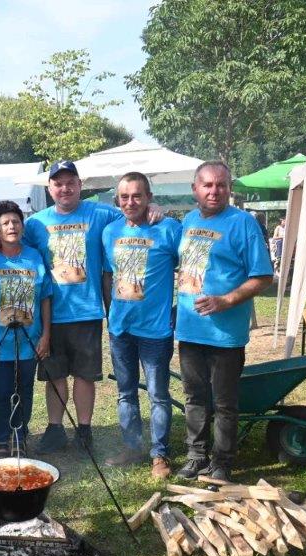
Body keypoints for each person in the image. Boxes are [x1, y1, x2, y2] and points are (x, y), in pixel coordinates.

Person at [174, 162, 273, 482]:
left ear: (230, 188)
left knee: (224, 402)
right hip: (190, 329)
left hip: (225, 334)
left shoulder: (243, 223)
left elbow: (263, 276)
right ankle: (196, 455)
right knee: (194, 397)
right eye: (207, 185)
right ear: (195, 189)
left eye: (221, 185)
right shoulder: (188, 221)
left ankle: (222, 461)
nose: (214, 191)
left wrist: (226, 300)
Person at [19, 161, 123, 455]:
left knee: (84, 375)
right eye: (58, 183)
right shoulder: (35, 223)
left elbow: (131, 217)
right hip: (50, 314)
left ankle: (84, 430)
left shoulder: (101, 214)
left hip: (86, 312)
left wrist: (153, 210)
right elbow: (14, 246)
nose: (64, 188)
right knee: (54, 375)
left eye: (70, 182)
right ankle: (55, 429)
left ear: (80, 185)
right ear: (49, 188)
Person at [100, 172, 182, 479]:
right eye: (124, 196)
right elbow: (108, 274)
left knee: (158, 394)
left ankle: (159, 454)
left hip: (155, 331)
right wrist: (110, 313)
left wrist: (180, 310)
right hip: (120, 329)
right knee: (125, 392)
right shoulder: (110, 231)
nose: (130, 202)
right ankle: (131, 447)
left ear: (149, 197)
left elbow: (192, 267)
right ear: (117, 200)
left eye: (137, 195)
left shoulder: (169, 229)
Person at [0, 200, 52, 458]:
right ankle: (1, 439)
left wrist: (46, 336)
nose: (11, 227)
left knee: (24, 391)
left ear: (22, 225)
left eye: (16, 222)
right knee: (1, 392)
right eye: (5, 223)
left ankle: (20, 435)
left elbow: (45, 297)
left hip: (29, 341)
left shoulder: (34, 256)